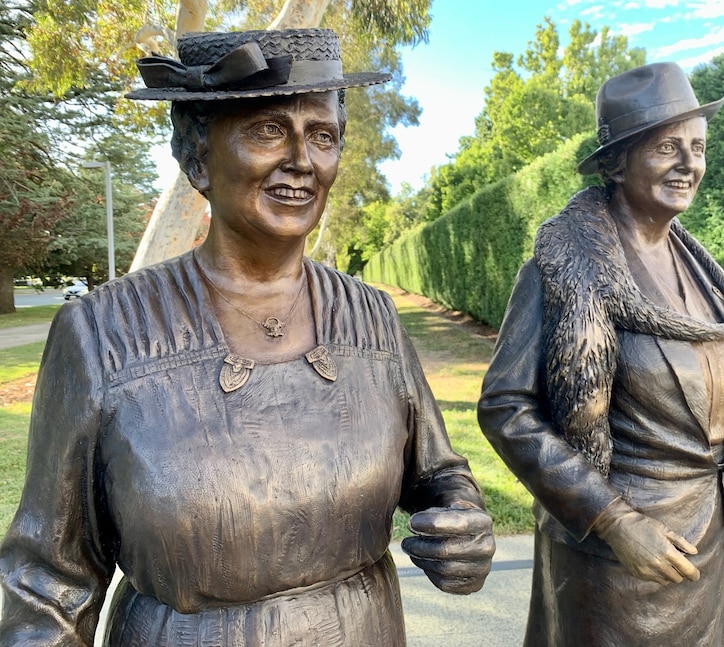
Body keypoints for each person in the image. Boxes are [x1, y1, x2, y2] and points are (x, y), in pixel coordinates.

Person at [0, 28, 494, 646]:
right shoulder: (101, 335)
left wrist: (463, 521)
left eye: (322, 136)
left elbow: (439, 472)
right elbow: (47, 582)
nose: (303, 161)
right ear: (198, 157)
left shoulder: (372, 319)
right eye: (267, 131)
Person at [477, 62, 724, 646]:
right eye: (668, 146)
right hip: (613, 558)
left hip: (700, 547)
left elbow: (722, 404)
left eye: (698, 147)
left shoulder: (704, 274)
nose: (689, 163)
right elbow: (506, 408)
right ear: (617, 163)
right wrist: (614, 521)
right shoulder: (562, 270)